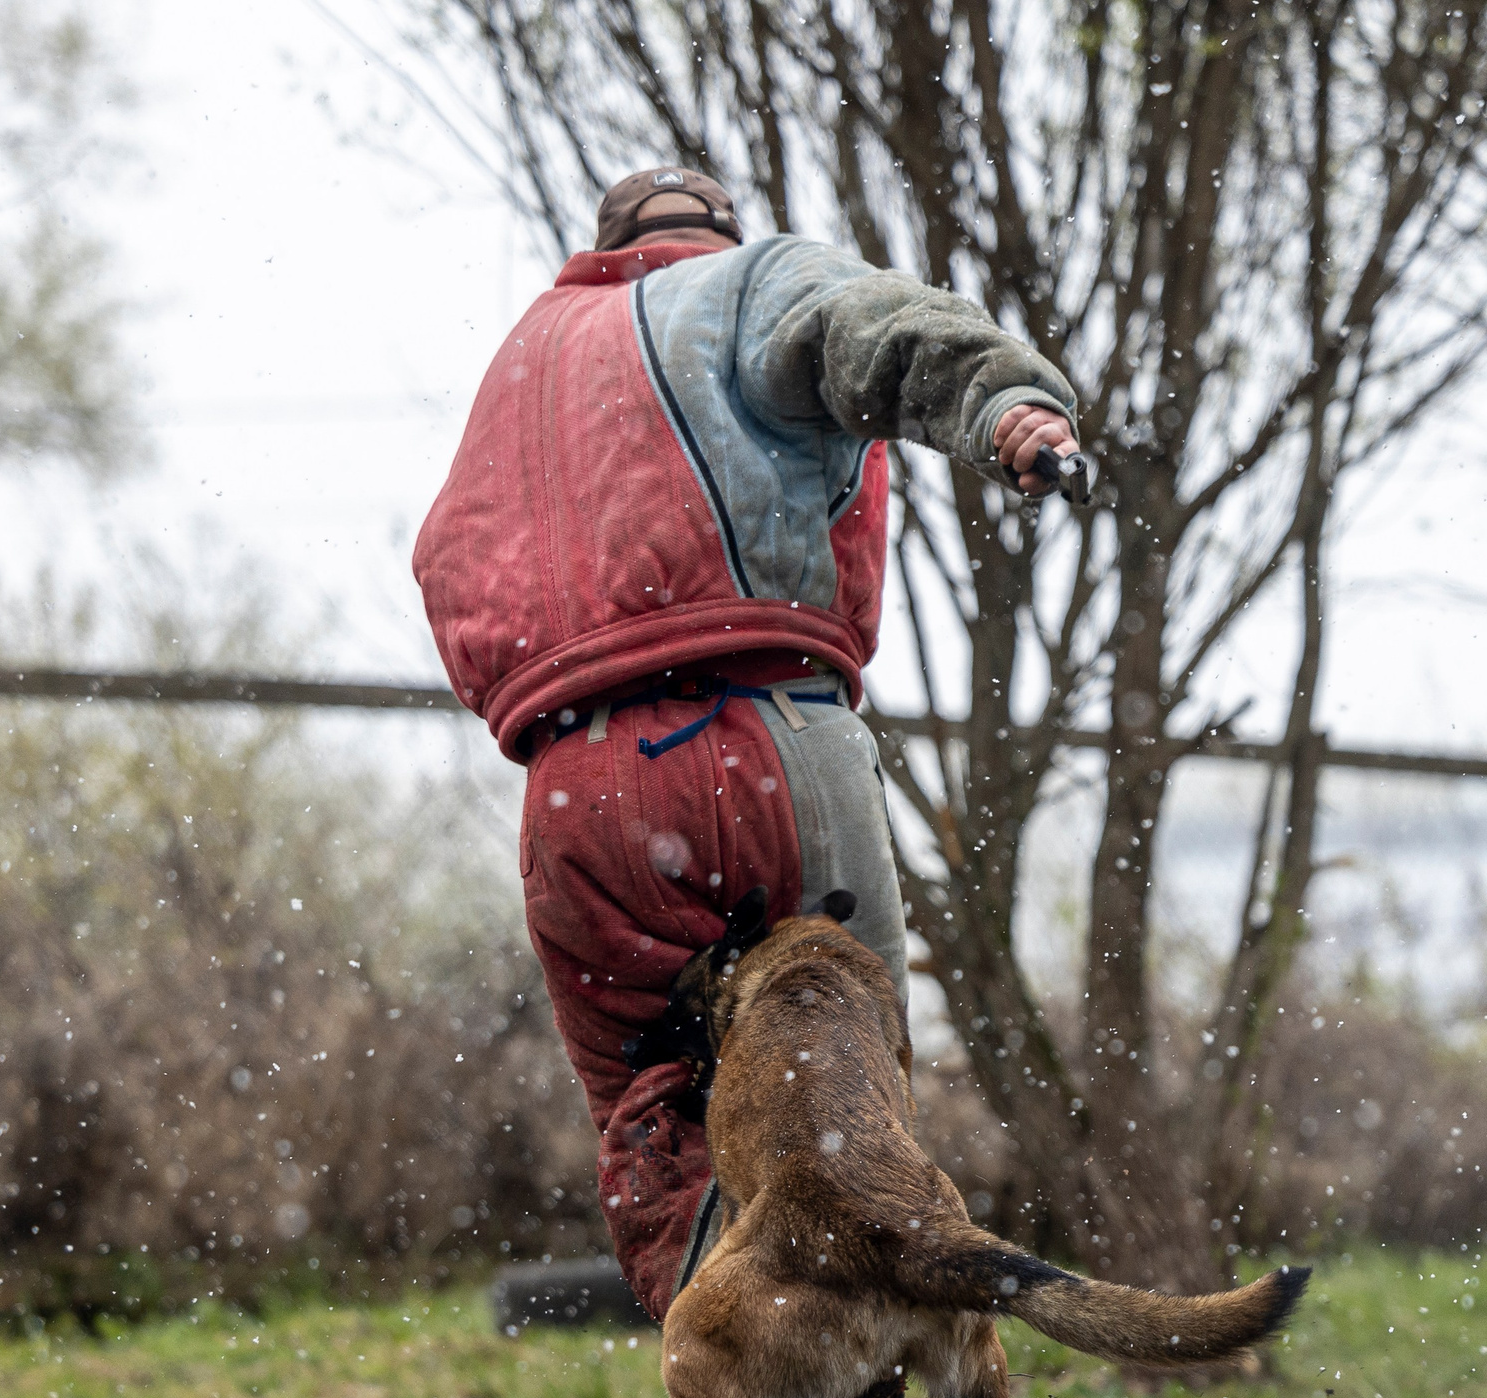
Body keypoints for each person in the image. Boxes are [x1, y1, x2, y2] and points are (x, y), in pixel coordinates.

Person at [414, 167, 1083, 1327]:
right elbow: (877, 333)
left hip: (574, 792)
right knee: (845, 1097)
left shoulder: (516, 368)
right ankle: (860, 1382)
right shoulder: (749, 284)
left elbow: (443, 560)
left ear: (605, 245)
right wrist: (1005, 407)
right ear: (713, 233)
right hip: (768, 733)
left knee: (654, 1119)